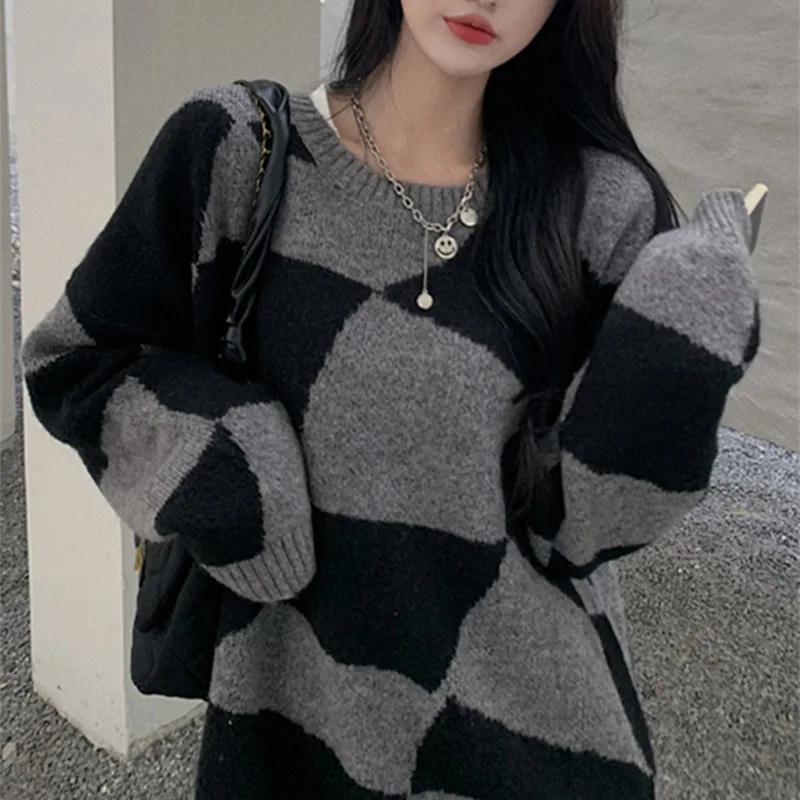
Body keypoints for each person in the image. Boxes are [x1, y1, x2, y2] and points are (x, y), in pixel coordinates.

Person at [22, 0, 759, 797]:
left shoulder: (600, 204)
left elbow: (580, 530)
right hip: (293, 742)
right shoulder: (238, 150)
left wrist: (672, 374)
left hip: (542, 749)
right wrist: (221, 460)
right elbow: (81, 357)